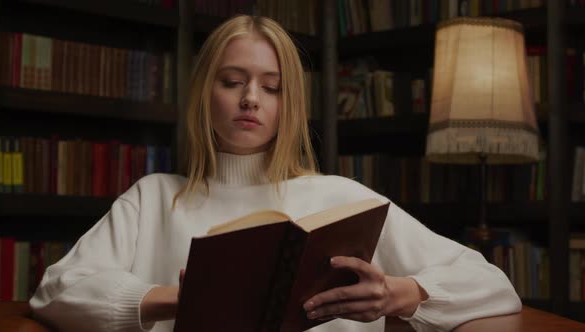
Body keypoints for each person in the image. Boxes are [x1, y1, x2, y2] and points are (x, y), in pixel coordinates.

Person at [29, 15, 521, 332]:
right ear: (206, 93)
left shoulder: (342, 198)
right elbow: (57, 292)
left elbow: (493, 285)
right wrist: (178, 301)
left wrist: (400, 295)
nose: (250, 99)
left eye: (272, 87)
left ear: (291, 103)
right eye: (232, 82)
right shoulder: (155, 197)